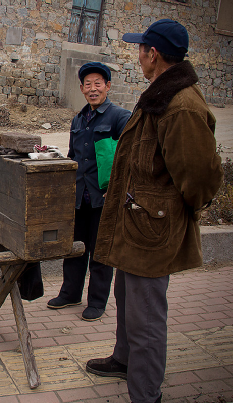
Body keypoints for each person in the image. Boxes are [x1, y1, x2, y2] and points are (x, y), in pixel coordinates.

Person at [85, 19, 223, 403]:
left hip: (151, 229)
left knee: (146, 318)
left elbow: (198, 180)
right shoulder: (160, 94)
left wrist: (169, 214)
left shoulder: (181, 106)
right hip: (137, 223)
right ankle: (124, 360)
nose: (138, 55)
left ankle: (146, 394)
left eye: (140, 48)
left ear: (154, 54)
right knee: (127, 298)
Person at [46, 62, 131, 321]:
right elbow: (74, 156)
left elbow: (128, 159)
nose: (93, 89)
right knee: (75, 248)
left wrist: (116, 191)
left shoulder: (120, 117)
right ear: (82, 89)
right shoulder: (79, 119)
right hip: (79, 196)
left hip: (103, 198)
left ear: (107, 86)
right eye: (88, 84)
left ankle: (97, 302)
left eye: (98, 83)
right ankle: (70, 293)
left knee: (100, 252)